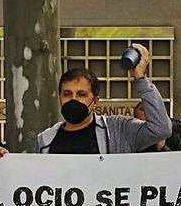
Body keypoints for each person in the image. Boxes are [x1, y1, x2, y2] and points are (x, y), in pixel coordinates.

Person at [36, 44, 170, 154]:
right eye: (67, 94)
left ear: (95, 101)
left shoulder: (119, 130)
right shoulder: (45, 140)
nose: (73, 99)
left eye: (81, 94)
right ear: (59, 97)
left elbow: (160, 130)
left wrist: (140, 79)